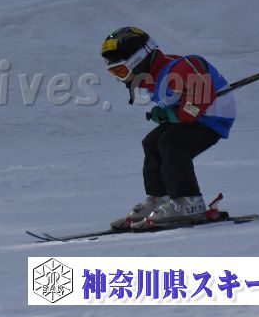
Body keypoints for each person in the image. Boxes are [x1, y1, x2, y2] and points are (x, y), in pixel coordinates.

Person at [101, 27, 236, 230]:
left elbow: (199, 101)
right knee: (151, 143)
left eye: (121, 71)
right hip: (194, 118)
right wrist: (168, 112)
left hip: (213, 119)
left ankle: (189, 201)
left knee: (171, 143)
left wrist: (176, 114)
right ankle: (161, 198)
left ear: (139, 60)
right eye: (114, 73)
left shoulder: (180, 68)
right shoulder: (153, 77)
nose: (121, 79)